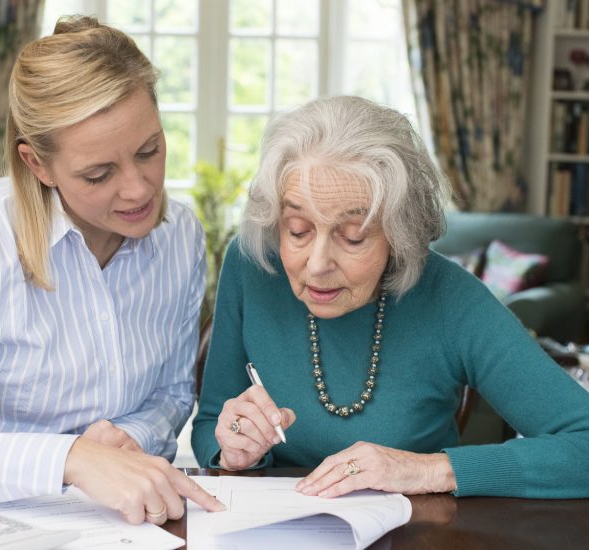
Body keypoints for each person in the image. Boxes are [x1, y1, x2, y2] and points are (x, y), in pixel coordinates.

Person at [0, 16, 224, 524]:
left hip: (122, 521)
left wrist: (127, 443)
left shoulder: (180, 236)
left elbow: (170, 394)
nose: (140, 189)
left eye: (150, 151)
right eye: (98, 174)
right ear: (37, 165)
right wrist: (70, 459)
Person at [191, 95, 589, 498]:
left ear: (401, 236)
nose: (317, 265)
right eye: (297, 230)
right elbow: (210, 424)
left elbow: (583, 441)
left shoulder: (449, 297)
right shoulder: (253, 264)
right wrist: (233, 452)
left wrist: (432, 470)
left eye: (354, 237)